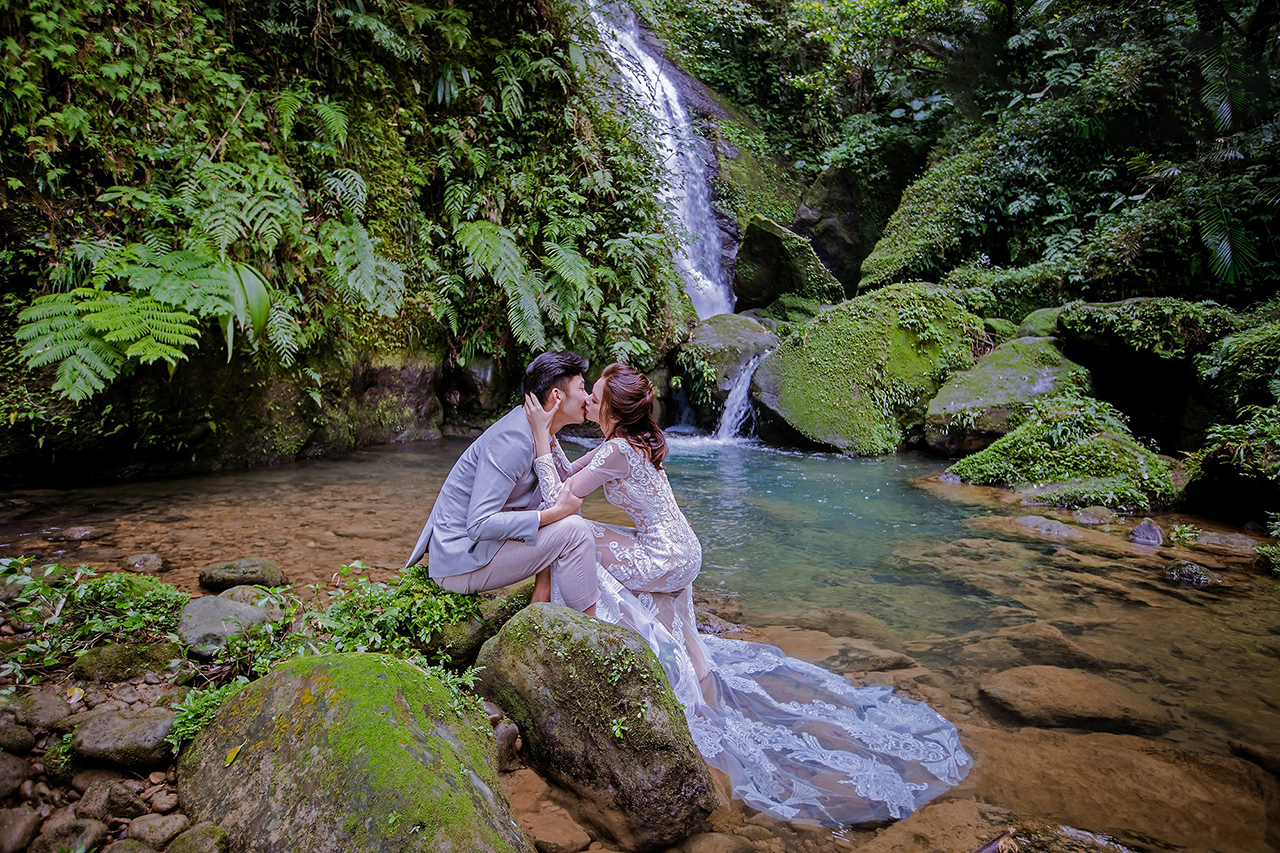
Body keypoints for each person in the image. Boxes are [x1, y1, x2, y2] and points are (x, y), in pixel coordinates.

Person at [524, 362, 971, 826]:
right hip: (684, 548)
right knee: (690, 642)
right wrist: (552, 435)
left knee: (579, 535)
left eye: (596, 396)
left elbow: (559, 502)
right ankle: (713, 727)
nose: (590, 401)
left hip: (664, 554)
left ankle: (582, 634)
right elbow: (569, 471)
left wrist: (539, 436)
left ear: (613, 411)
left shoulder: (616, 449)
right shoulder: (630, 442)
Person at [405, 351, 599, 615]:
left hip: (482, 550)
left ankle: (545, 603)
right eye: (582, 388)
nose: (587, 397)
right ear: (557, 396)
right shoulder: (514, 439)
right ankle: (588, 631)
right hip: (461, 560)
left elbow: (561, 484)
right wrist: (550, 515)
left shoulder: (540, 431)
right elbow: (479, 524)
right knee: (575, 530)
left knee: (566, 514)